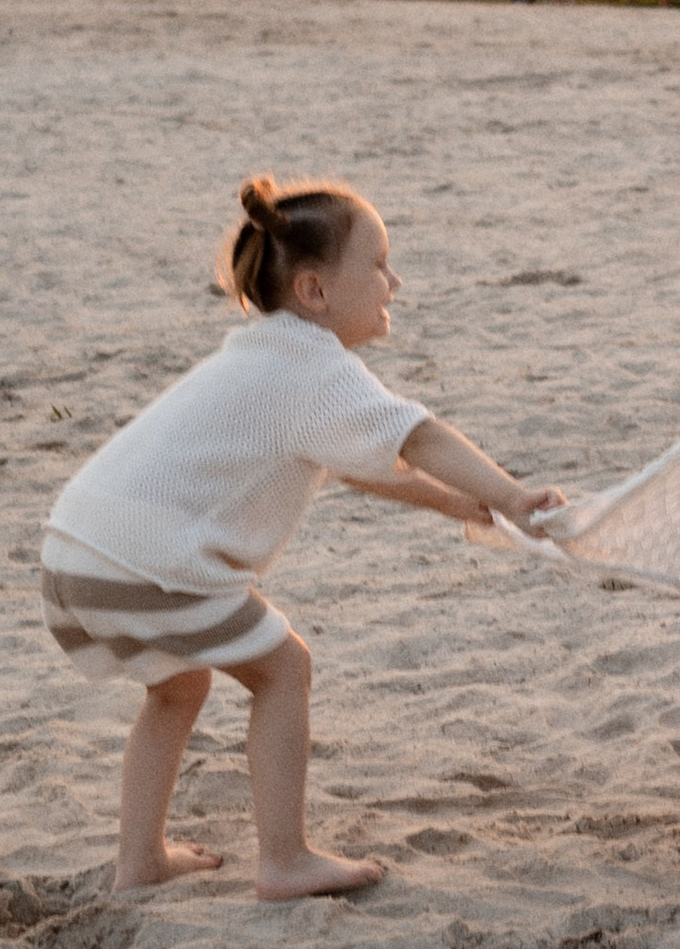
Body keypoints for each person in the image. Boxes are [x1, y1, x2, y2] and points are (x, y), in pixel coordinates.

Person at [41, 176, 564, 898]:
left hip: (77, 548)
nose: (395, 280)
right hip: (146, 562)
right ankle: (284, 860)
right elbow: (416, 435)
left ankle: (141, 864)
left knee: (178, 686)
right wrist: (510, 493)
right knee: (284, 670)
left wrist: (458, 506)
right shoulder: (315, 369)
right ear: (315, 291)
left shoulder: (267, 355)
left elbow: (360, 467)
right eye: (379, 264)